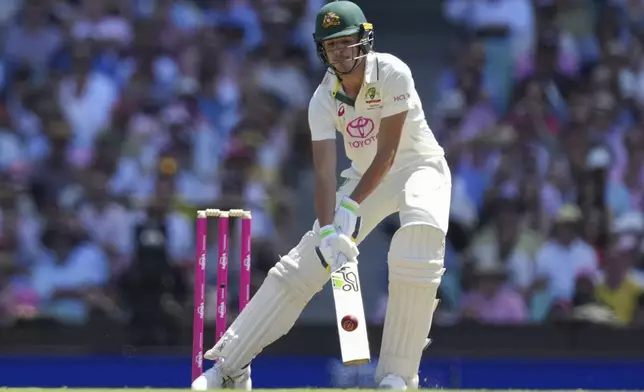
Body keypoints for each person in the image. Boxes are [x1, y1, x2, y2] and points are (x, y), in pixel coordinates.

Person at [192, 1, 451, 390]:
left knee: (417, 240)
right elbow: (324, 172)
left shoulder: (393, 72)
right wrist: (329, 231)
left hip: (420, 167)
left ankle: (398, 376)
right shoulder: (322, 99)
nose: (340, 53)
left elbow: (390, 153)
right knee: (305, 262)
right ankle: (230, 368)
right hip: (365, 178)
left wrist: (350, 205)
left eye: (347, 43)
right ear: (321, 50)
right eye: (332, 46)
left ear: (364, 40)